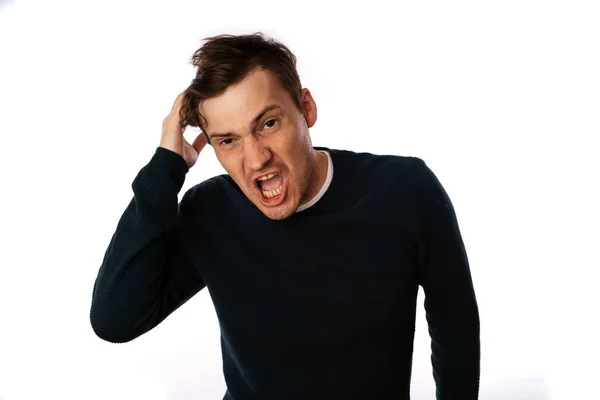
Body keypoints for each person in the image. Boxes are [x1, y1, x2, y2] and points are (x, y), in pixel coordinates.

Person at [90, 32, 480, 400]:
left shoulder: (405, 191)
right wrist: (165, 169)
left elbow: (455, 325)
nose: (256, 159)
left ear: (306, 108)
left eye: (268, 124)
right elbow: (114, 320)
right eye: (228, 141)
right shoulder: (209, 212)